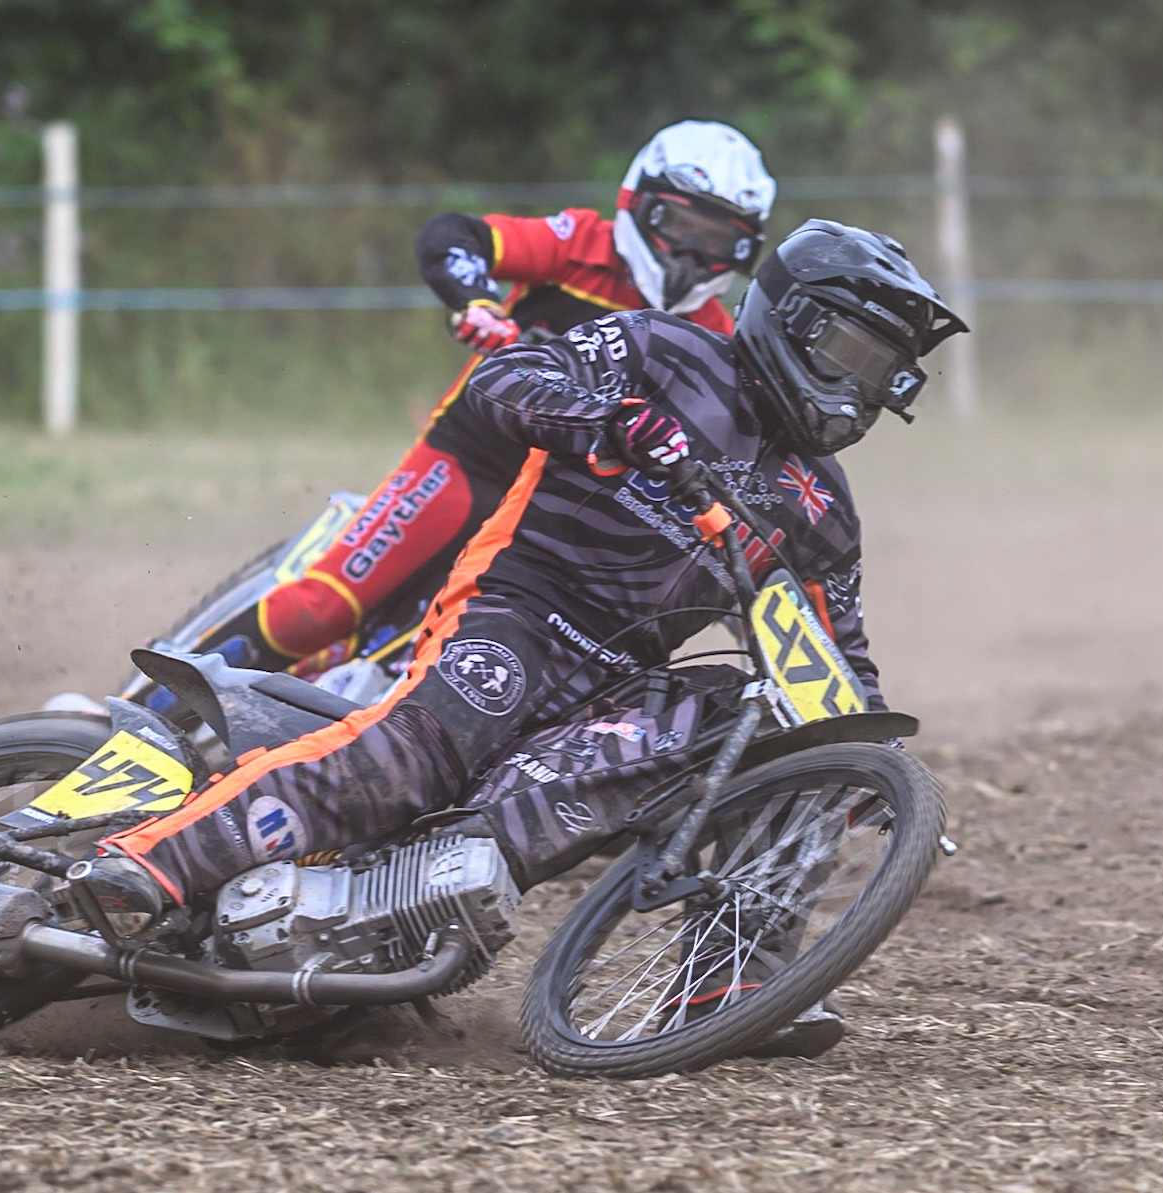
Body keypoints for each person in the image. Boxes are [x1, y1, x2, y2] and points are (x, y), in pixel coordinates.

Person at [84, 219, 967, 1055]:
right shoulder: (657, 347)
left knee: (791, 734)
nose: (862, 385)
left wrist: (866, 764)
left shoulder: (823, 506)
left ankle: (733, 984)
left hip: (618, 678)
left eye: (883, 366)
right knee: (413, 759)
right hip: (516, 605)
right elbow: (503, 380)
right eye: (853, 353)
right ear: (795, 320)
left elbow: (837, 653)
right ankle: (148, 861)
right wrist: (612, 422)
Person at [182, 121, 776, 677]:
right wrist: (474, 301)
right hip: (469, 460)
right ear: (635, 205)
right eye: (680, 227)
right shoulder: (579, 244)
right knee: (318, 612)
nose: (690, 257)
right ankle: (149, 707)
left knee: (424, 667)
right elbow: (454, 234)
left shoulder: (717, 335)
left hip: (560, 519)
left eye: (717, 242)